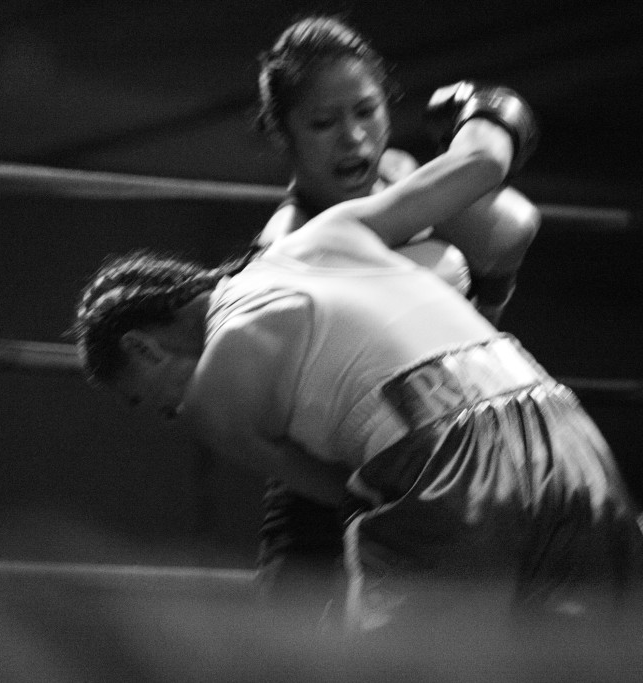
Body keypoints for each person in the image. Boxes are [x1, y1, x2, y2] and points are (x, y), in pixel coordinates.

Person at [70, 83, 643, 633]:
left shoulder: (214, 395)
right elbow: (482, 169)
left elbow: (343, 491)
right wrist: (490, 112)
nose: (170, 411)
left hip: (444, 460)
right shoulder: (326, 232)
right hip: (565, 431)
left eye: (148, 398)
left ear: (142, 346)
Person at [250, 14, 542, 605]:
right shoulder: (290, 250)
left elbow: (510, 230)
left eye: (366, 111)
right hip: (333, 496)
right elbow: (267, 431)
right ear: (283, 136)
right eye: (324, 123)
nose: (354, 138)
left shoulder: (399, 178)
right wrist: (486, 113)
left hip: (436, 478)